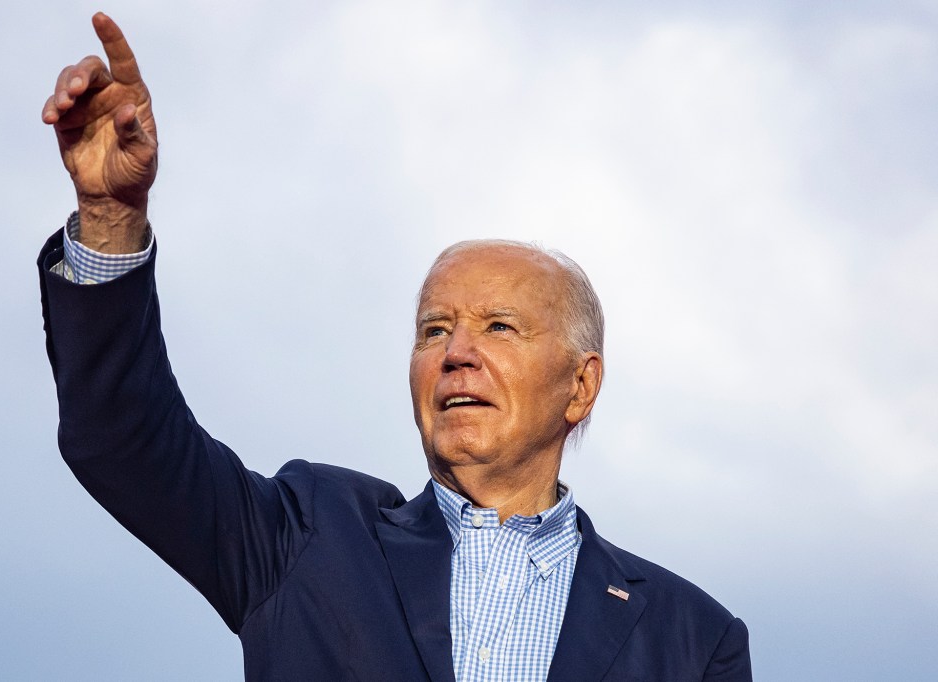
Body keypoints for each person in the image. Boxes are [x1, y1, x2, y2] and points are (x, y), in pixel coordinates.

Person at [39, 13, 753, 682]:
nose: (457, 353)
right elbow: (121, 440)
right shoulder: (311, 538)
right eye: (434, 330)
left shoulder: (691, 639)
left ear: (581, 385)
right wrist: (109, 216)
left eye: (498, 327)